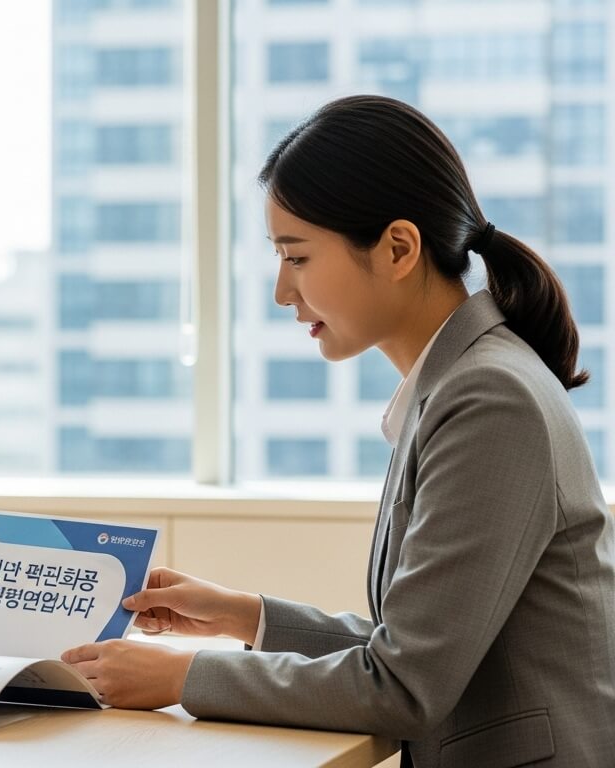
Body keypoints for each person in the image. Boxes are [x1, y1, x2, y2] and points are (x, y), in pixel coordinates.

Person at [62, 95, 615, 766]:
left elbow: (402, 687)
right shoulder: (461, 383)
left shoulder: (489, 399)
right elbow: (410, 648)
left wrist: (183, 677)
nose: (281, 292)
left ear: (399, 248)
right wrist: (243, 615)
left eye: (296, 258)